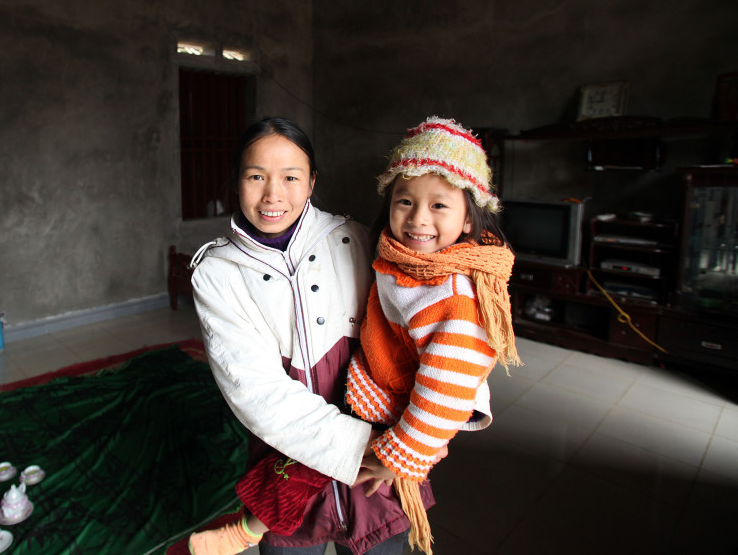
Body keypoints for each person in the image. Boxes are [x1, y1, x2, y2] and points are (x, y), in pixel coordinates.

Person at [190, 116, 520, 555]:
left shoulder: (355, 239)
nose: (273, 195)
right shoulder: (216, 272)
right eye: (256, 177)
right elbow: (254, 390)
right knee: (290, 539)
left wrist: (429, 437)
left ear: (312, 182)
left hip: (382, 474)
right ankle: (251, 529)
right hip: (299, 454)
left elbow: (451, 350)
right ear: (236, 181)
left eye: (291, 177)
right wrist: (374, 448)